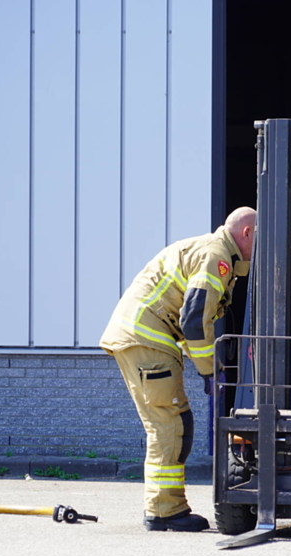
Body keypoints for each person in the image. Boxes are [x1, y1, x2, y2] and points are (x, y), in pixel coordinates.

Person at [100, 207, 256, 532]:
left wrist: (207, 365)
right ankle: (163, 511)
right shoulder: (216, 256)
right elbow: (195, 320)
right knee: (168, 427)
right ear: (246, 233)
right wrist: (210, 371)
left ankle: (166, 507)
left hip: (146, 340)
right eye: (261, 239)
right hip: (146, 341)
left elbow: (187, 320)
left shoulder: (212, 251)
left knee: (176, 423)